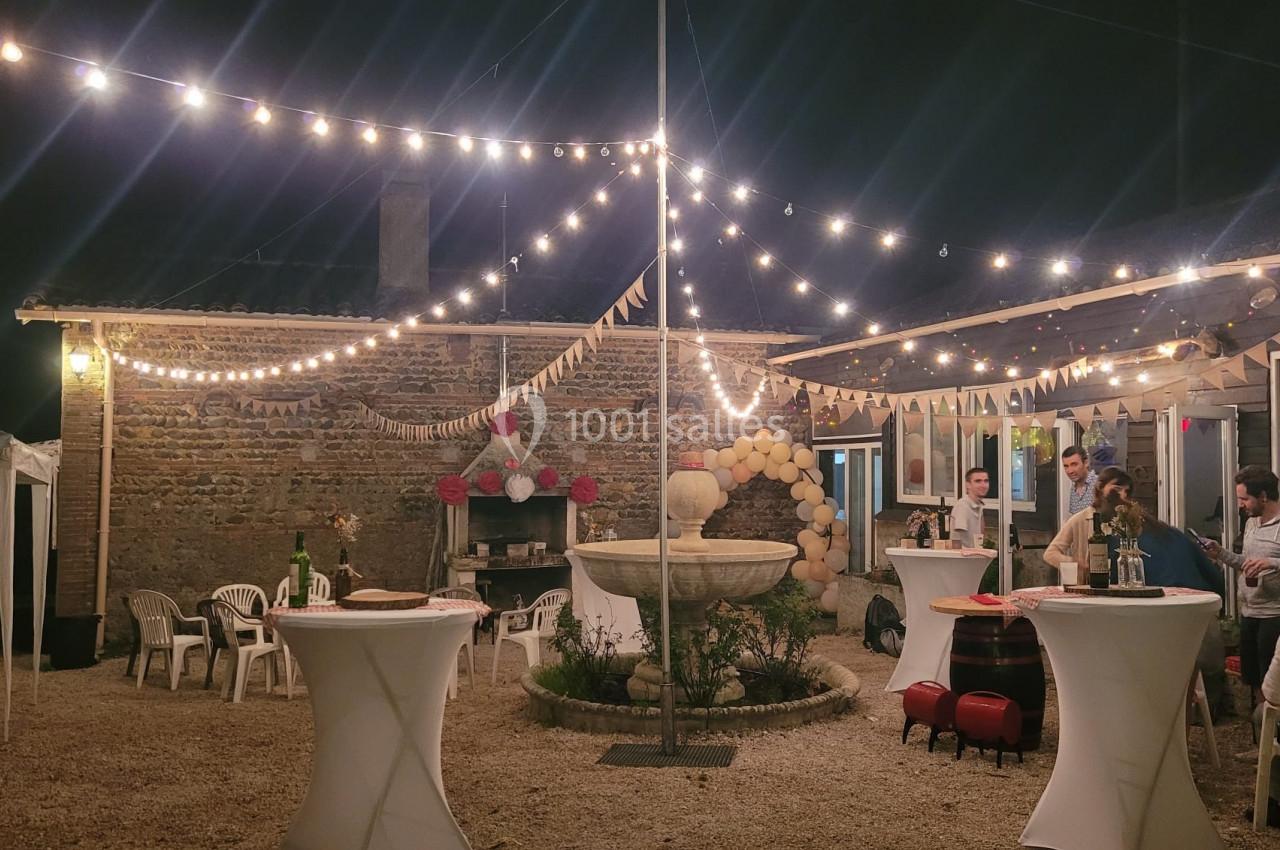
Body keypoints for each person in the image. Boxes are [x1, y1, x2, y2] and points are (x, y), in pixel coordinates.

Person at [1204, 466, 1280, 706]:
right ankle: (1260, 735)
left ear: (1264, 496)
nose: (1241, 504)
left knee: (1272, 683)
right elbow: (1245, 563)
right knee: (1253, 680)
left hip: (1274, 614)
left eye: (1244, 499)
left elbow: (1267, 563)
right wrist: (1221, 554)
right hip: (1248, 612)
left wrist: (1272, 562)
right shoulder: (1251, 525)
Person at [1044, 466, 1133, 571]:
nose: (1122, 495)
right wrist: (1075, 564)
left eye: (1126, 491)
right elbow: (1051, 554)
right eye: (1117, 489)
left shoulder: (1129, 520)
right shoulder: (1079, 519)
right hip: (1086, 584)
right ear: (1100, 487)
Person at [950, 467, 989, 548]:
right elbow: (956, 540)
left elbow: (981, 538)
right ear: (968, 485)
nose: (983, 485)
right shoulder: (963, 506)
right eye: (978, 481)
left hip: (974, 557)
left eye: (986, 481)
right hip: (964, 559)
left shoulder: (978, 506)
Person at [1062, 446, 1099, 516]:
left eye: (1074, 464)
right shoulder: (1073, 489)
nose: (1070, 471)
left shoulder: (1099, 484)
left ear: (1086, 463)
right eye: (1066, 466)